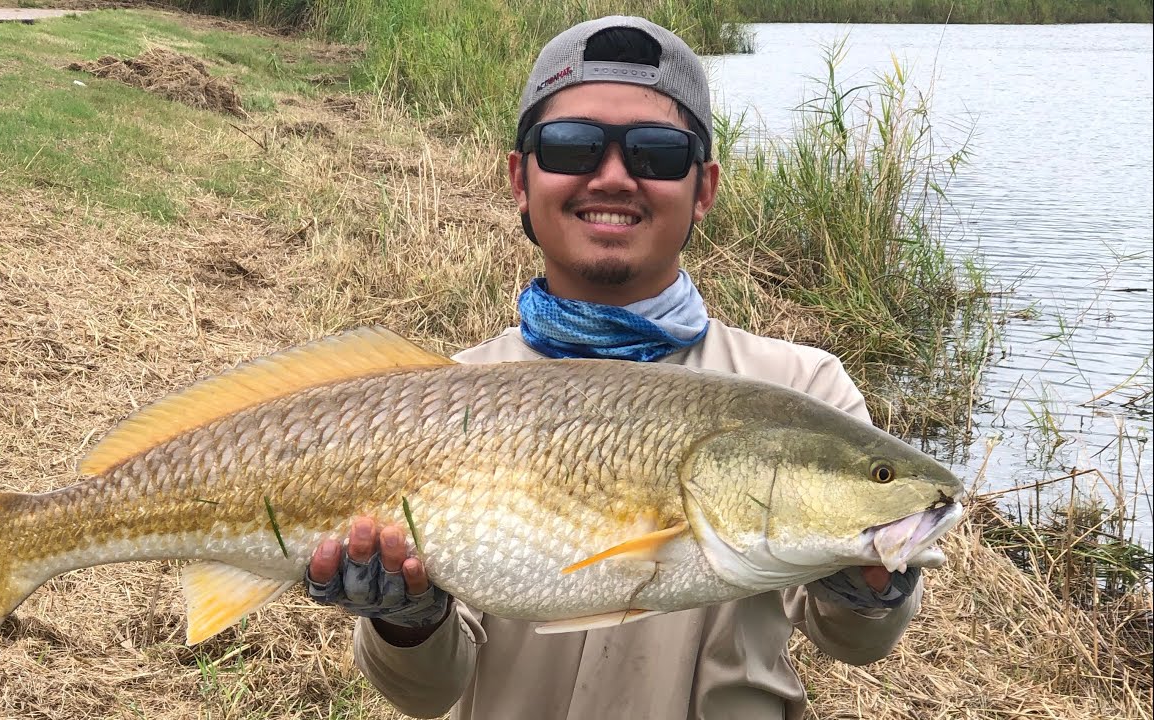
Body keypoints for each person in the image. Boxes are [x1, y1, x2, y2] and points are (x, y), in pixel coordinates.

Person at [306, 16, 924, 720]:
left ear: (704, 189)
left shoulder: (801, 390)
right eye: (571, 146)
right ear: (520, 179)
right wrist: (407, 622)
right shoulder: (444, 399)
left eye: (656, 153)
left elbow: (856, 641)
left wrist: (875, 585)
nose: (612, 177)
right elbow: (426, 693)